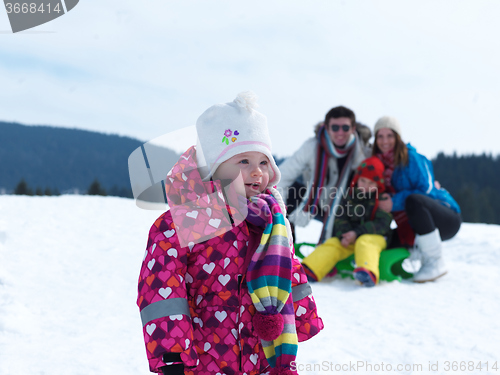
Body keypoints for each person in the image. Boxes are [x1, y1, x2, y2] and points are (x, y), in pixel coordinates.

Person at [137, 92, 323, 375]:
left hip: (260, 355)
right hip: (202, 359)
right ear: (213, 167)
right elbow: (161, 291)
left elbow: (287, 268)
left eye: (263, 162)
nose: (256, 172)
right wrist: (172, 355)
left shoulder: (269, 218)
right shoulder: (181, 223)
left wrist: (302, 316)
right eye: (243, 162)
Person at [372, 116, 461, 283]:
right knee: (389, 241)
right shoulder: (378, 165)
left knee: (414, 200)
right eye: (380, 136)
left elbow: (426, 190)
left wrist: (393, 201)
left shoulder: (412, 158)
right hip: (414, 223)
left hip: (445, 217)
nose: (385, 141)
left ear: (397, 137)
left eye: (389, 135)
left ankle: (434, 261)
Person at [277, 106, 370, 243]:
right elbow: (282, 177)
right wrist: (279, 215)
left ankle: (349, 246)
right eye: (335, 127)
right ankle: (285, 242)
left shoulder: (363, 152)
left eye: (345, 128)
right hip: (316, 201)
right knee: (292, 191)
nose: (340, 133)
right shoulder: (312, 147)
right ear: (327, 128)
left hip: (345, 207)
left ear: (353, 128)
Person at [300, 157, 392, 286]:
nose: (366, 186)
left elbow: (382, 224)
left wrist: (357, 233)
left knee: (364, 241)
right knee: (333, 243)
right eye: (363, 181)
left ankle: (367, 272)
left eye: (371, 183)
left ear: (378, 184)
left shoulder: (381, 200)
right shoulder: (349, 197)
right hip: (350, 238)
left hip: (375, 238)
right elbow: (340, 218)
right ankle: (309, 269)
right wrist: (345, 234)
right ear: (357, 179)